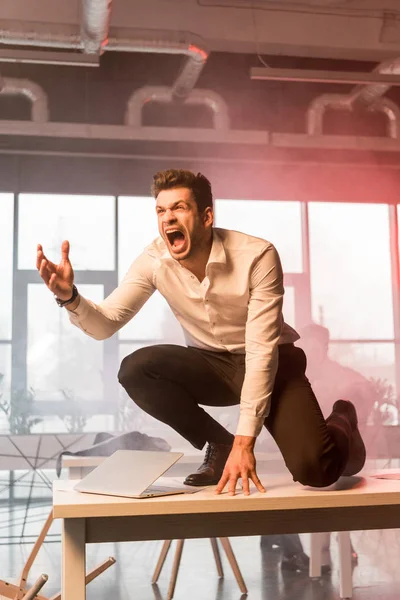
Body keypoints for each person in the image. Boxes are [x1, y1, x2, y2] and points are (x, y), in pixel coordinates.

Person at [36, 169, 366, 497]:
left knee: (316, 471)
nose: (168, 219)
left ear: (206, 216)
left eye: (179, 208)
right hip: (212, 365)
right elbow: (105, 324)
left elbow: (261, 352)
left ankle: (341, 421)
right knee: (136, 369)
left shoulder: (257, 255)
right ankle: (218, 445)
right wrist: (70, 297)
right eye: (161, 211)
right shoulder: (154, 260)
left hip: (273, 364)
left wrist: (245, 442)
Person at [263, 323, 376, 571]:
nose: (310, 350)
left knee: (327, 493)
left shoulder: (341, 375)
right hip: (294, 449)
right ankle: (295, 552)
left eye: (314, 344)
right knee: (284, 498)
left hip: (326, 450)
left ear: (324, 346)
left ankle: (326, 554)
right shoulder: (291, 372)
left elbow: (359, 391)